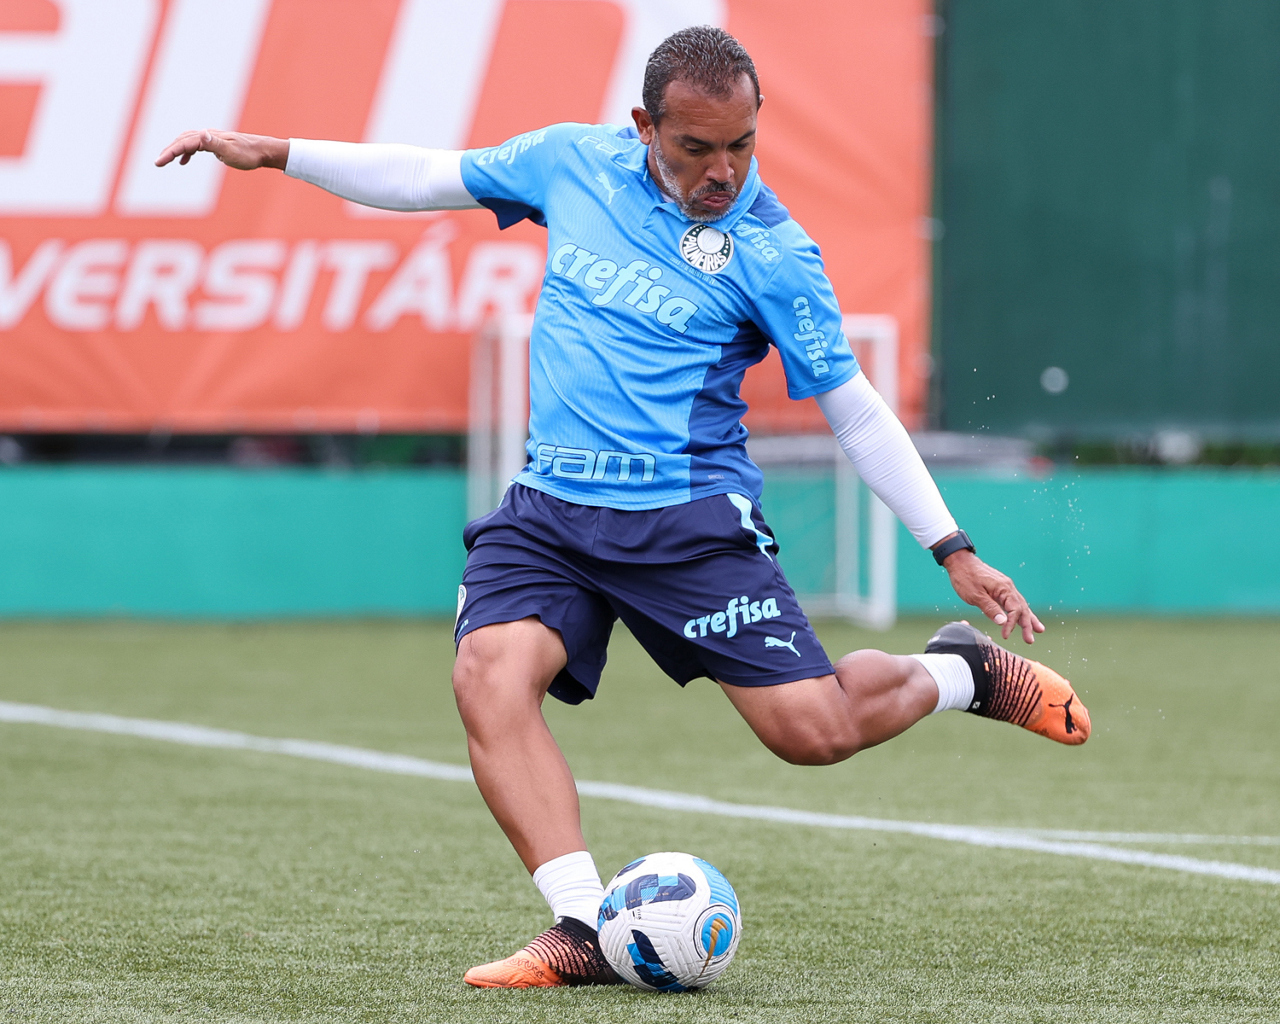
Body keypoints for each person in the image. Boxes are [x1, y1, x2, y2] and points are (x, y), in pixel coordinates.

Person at [158, 25, 1089, 990]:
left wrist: (951, 547)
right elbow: (429, 176)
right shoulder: (572, 162)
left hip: (687, 523)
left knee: (812, 735)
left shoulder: (774, 253)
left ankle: (958, 674)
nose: (723, 171)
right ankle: (579, 926)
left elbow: (854, 411)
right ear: (645, 126)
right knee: (488, 675)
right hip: (552, 511)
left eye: (742, 144)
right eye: (696, 147)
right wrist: (276, 152)